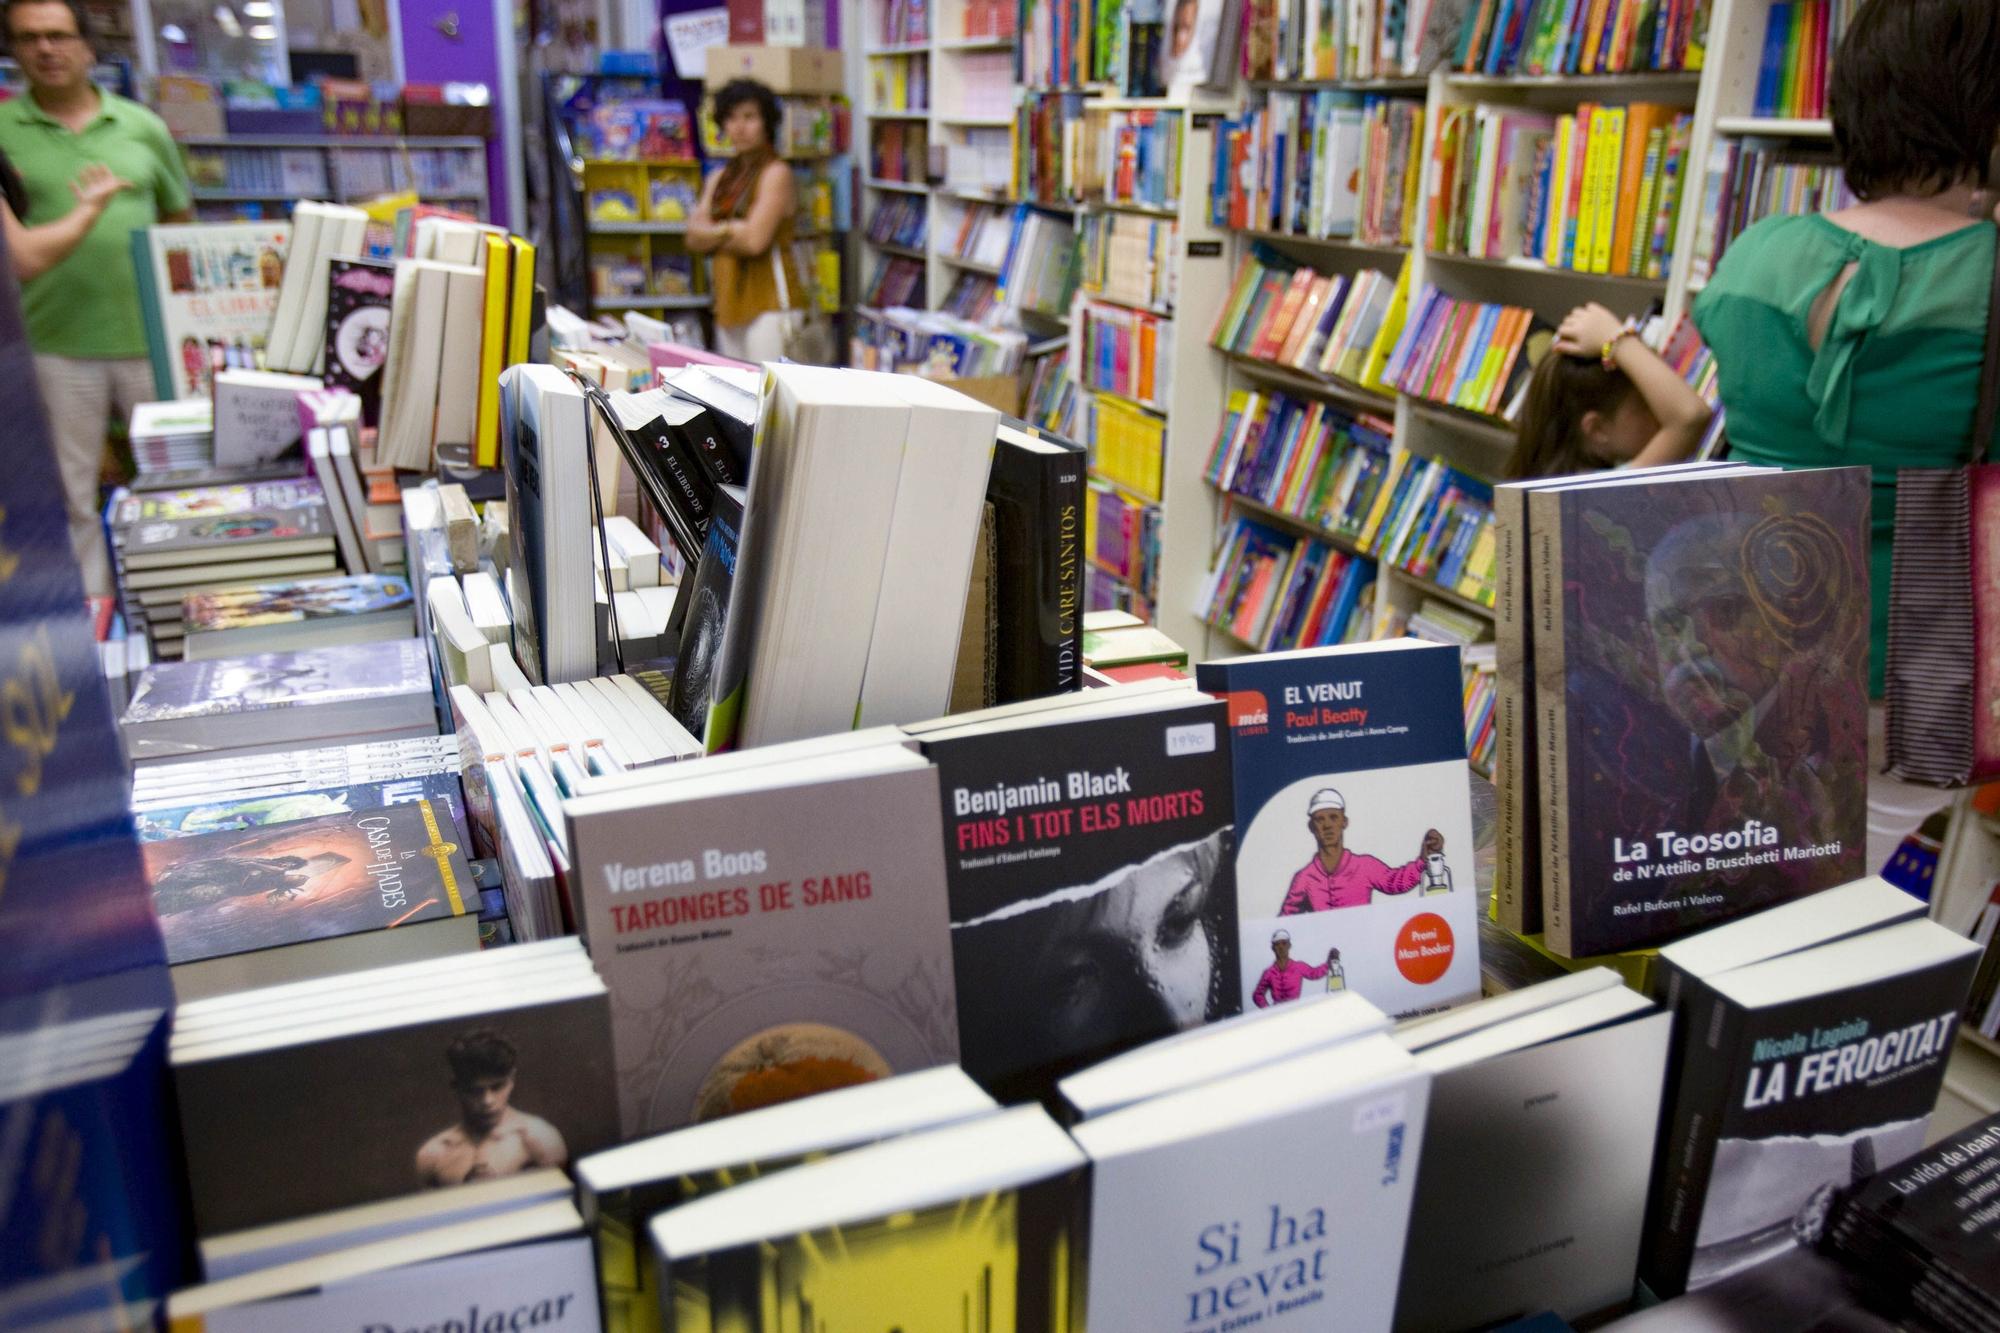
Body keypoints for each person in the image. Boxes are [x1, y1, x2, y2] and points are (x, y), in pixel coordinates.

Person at [1690, 0, 1996, 872]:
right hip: (1916, 677)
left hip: (1744, 645)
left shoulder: (1756, 255)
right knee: (1862, 898)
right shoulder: (1987, 276)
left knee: (1745, 881)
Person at [0, 0, 191, 596]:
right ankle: (97, 624)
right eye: (30, 38)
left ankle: (177, 600)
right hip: (55, 346)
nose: (46, 50)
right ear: (13, 49)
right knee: (72, 496)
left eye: (58, 36)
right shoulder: (4, 132)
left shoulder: (142, 127)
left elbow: (180, 225)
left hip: (148, 345)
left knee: (176, 485)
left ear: (87, 46)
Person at [1505, 302, 1713, 479]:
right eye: (1646, 403)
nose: (1661, 412)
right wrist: (1616, 339)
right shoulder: (1598, 495)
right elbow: (1690, 417)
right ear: (1597, 429)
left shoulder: (1546, 484)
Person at [685, 79, 803, 363]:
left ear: (766, 123)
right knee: (734, 398)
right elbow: (692, 238)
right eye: (732, 118)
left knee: (766, 398)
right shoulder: (720, 177)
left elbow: (754, 241)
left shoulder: (777, 173)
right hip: (728, 303)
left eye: (749, 117)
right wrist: (730, 229)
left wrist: (716, 231)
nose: (739, 127)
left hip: (770, 303)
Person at [415, 1028, 568, 1187]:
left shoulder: (538, 1138)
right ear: (457, 1087)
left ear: (511, 1080)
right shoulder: (432, 1154)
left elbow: (560, 1205)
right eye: (475, 1090)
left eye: (497, 1087)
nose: (487, 1101)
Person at [1279, 787, 1442, 914]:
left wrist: (1423, 860)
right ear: (1311, 827)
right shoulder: (1304, 878)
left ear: (1344, 822)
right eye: (1320, 819)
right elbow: (1285, 921)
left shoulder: (1364, 866)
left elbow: (1395, 882)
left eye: (1333, 817)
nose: (1327, 825)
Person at [1250, 929, 1338, 1007]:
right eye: (1277, 944)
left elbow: (1314, 973)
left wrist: (1329, 963)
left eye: (1284, 943)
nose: (1281, 947)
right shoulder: (1268, 973)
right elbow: (1257, 995)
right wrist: (1268, 1010)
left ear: (1289, 945)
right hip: (1276, 1015)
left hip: (1294, 1012)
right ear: (1273, 948)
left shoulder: (1298, 967)